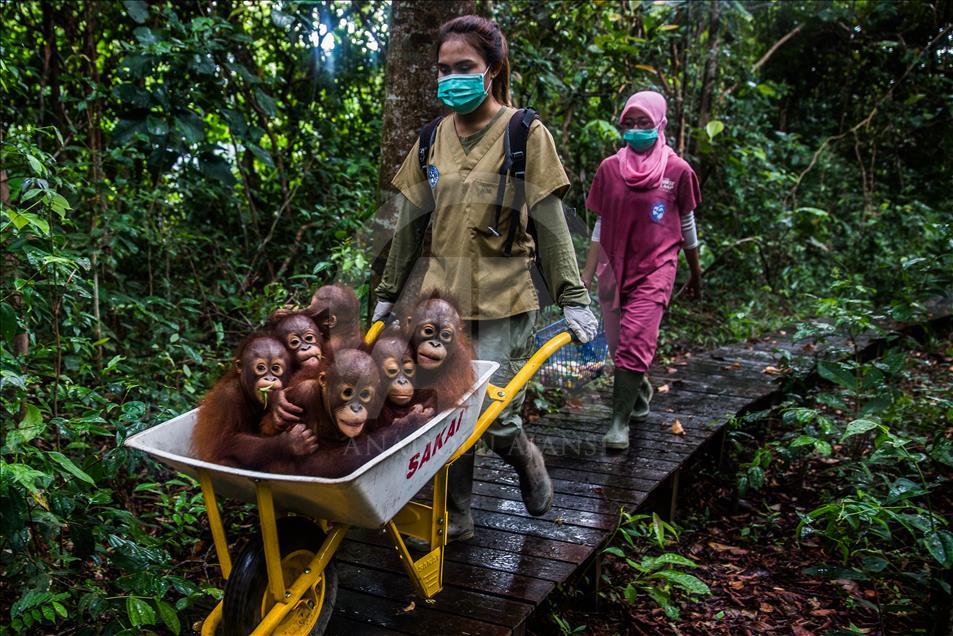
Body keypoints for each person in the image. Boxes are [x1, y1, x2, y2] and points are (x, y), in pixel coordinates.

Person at [372, 15, 598, 543]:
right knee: (446, 413)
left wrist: (573, 298)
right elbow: (409, 224)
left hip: (505, 298)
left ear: (492, 69)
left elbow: (548, 221)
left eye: (465, 67)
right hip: (444, 304)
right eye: (444, 69)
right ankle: (457, 516)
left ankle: (526, 459)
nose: (453, 78)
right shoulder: (431, 140)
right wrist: (387, 295)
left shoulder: (524, 133)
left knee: (491, 416)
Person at [580, 90, 702, 451]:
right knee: (622, 346)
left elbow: (688, 223)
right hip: (613, 268)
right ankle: (639, 387)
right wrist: (585, 275)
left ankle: (619, 423)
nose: (635, 130)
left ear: (660, 123)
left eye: (643, 123)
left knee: (634, 341)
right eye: (629, 123)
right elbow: (600, 226)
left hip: (657, 268)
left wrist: (695, 273)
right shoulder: (609, 169)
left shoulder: (678, 171)